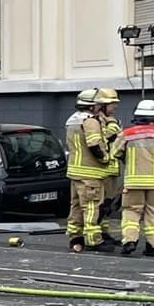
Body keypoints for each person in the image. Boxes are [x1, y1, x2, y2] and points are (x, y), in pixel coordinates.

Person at [108, 99, 154, 257]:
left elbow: (115, 153)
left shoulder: (126, 134)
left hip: (133, 181)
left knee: (131, 212)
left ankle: (130, 241)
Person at [64, 89, 108, 253]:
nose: (100, 107)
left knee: (75, 205)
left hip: (75, 170)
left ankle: (75, 237)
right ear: (92, 106)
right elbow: (94, 144)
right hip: (90, 172)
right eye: (98, 104)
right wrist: (105, 158)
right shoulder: (90, 121)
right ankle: (93, 240)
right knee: (91, 206)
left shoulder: (72, 120)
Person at [95, 88, 123, 242]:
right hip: (100, 169)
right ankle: (95, 232)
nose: (115, 107)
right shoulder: (95, 121)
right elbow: (102, 140)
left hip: (112, 168)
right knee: (100, 203)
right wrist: (112, 127)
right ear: (102, 105)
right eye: (112, 104)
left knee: (108, 203)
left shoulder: (113, 120)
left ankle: (104, 231)